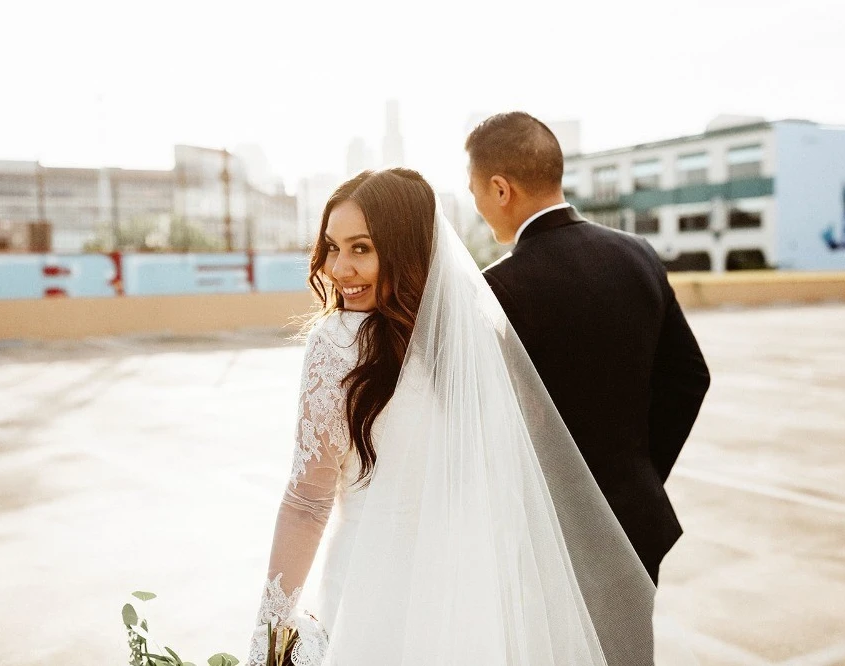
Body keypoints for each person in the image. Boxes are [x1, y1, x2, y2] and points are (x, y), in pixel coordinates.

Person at [246, 168, 681, 666]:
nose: (339, 268)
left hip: (370, 592)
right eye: (331, 247)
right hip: (469, 598)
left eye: (361, 248)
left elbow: (307, 501)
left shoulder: (337, 343)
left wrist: (270, 630)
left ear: (406, 249)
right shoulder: (476, 333)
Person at [468, 111, 711, 585]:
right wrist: (639, 470)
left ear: (500, 189)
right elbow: (690, 376)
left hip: (548, 534)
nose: (476, 204)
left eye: (474, 190)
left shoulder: (498, 288)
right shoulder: (638, 252)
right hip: (635, 520)